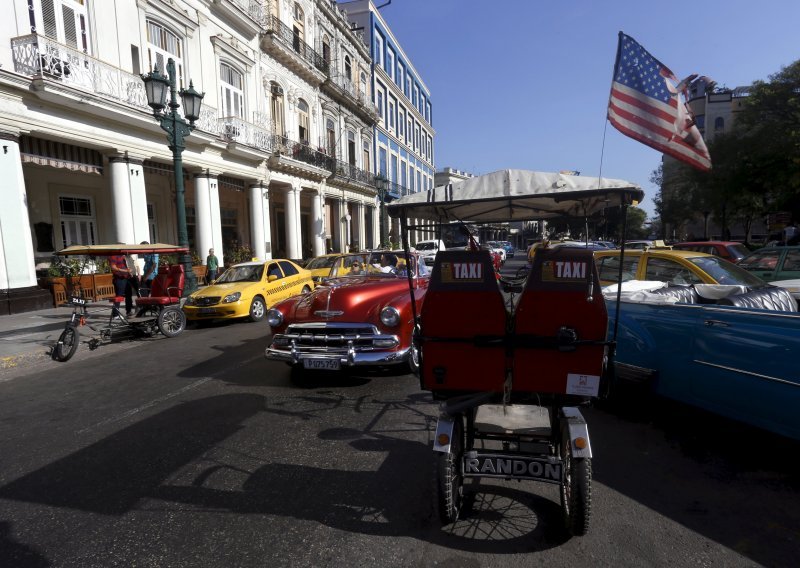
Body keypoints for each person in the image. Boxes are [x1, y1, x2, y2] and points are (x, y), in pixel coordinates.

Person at [109, 252, 138, 316]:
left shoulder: (124, 256)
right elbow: (113, 267)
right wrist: (126, 271)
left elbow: (129, 265)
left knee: (129, 295)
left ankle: (129, 311)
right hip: (119, 278)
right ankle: (115, 314)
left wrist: (131, 272)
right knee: (119, 296)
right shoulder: (114, 255)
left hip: (127, 277)